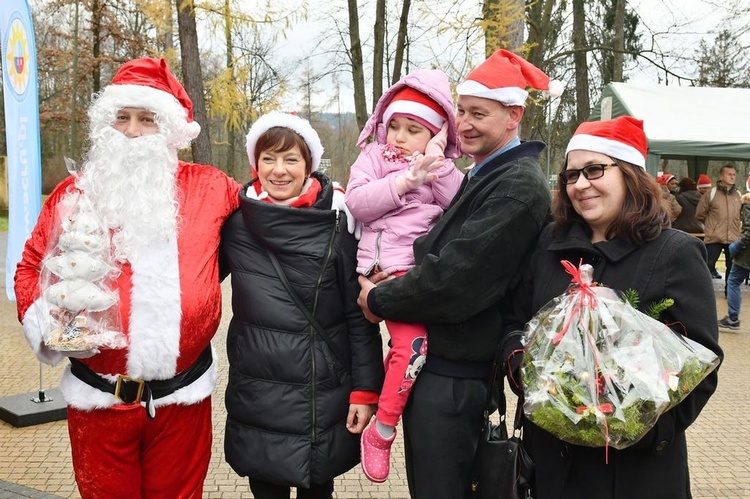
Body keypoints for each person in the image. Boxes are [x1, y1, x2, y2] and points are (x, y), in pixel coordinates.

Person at [13, 57, 241, 497]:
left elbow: (274, 204)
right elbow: (29, 266)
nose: (133, 131)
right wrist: (49, 323)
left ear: (171, 129)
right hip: (98, 402)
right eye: (122, 117)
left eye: (147, 119)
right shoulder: (72, 194)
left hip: (183, 401)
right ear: (106, 125)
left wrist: (350, 200)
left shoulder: (210, 187)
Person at [356, 49, 556, 498]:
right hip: (444, 370)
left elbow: (456, 278)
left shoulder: (517, 186)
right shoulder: (484, 175)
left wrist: (377, 300)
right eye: (460, 111)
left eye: (478, 113)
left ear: (513, 116)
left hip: (455, 377)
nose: (463, 123)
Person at [501, 116, 723, 498]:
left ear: (630, 175)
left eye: (594, 170)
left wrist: (627, 426)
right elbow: (514, 325)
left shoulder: (675, 253)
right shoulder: (550, 246)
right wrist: (531, 376)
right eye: (571, 175)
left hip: (632, 476)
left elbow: (699, 366)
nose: (580, 184)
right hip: (550, 470)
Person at [219, 112, 385, 499]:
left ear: (308, 164)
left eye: (291, 159)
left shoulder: (338, 222)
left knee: (318, 489)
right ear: (254, 164)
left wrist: (365, 391)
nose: (279, 170)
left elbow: (358, 318)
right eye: (268, 159)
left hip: (320, 396)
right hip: (259, 395)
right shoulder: (235, 226)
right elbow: (195, 281)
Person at [344, 68, 464, 483]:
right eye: (393, 125)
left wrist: (437, 164)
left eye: (413, 129)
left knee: (411, 350)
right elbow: (358, 202)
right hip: (377, 271)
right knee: (405, 348)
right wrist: (403, 181)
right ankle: (377, 420)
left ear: (435, 135)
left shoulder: (441, 168)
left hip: (415, 277)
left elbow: (462, 206)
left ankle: (384, 413)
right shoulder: (374, 158)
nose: (397, 135)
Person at [696, 164, 741, 281]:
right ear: (721, 176)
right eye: (729, 174)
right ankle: (702, 295)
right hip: (714, 238)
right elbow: (699, 214)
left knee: (732, 269)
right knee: (706, 267)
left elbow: (741, 215)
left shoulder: (738, 195)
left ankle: (730, 296)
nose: (732, 177)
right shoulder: (711, 194)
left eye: (734, 175)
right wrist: (711, 226)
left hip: (733, 238)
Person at [719, 177, 750, 330]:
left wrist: (736, 246)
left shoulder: (748, 203)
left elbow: (749, 232)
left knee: (733, 281)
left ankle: (733, 318)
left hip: (746, 253)